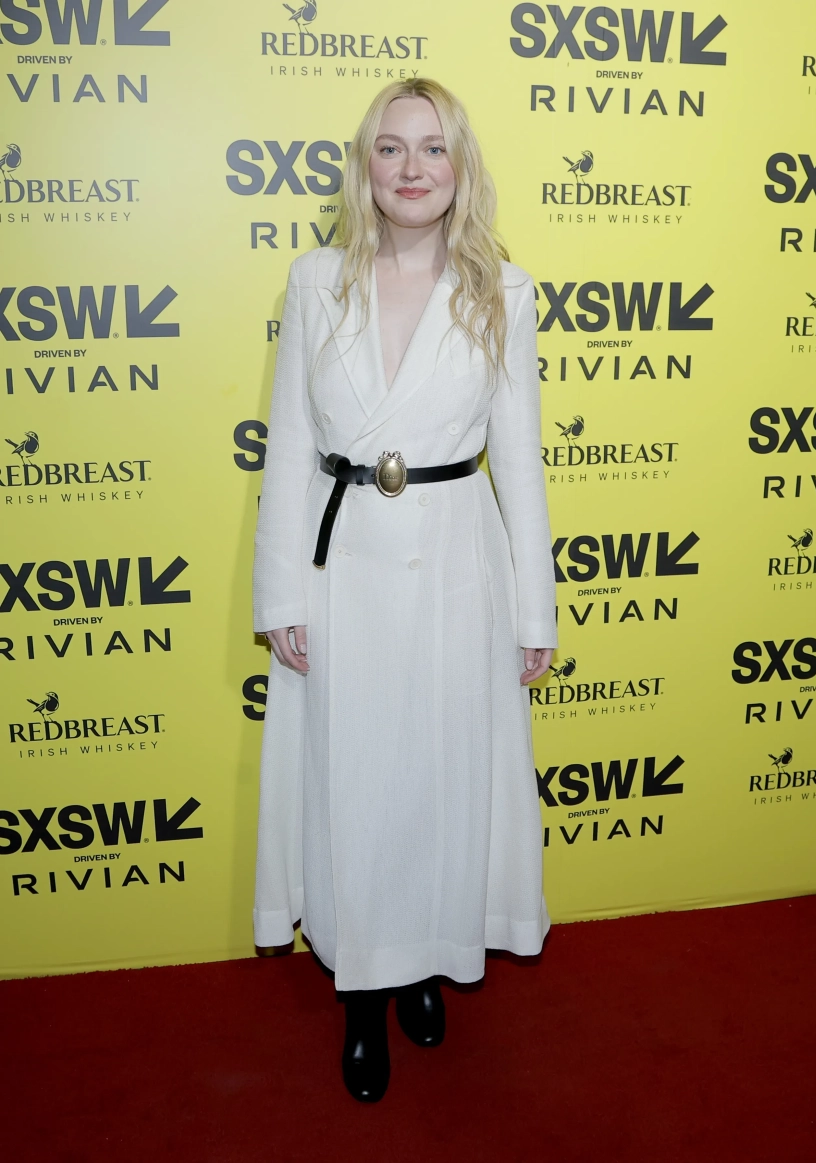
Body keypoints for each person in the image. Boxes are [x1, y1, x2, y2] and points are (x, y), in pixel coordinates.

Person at [252, 77, 557, 1103]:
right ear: (366, 166)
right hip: (341, 568)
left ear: (460, 165)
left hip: (456, 567)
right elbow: (289, 446)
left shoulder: (502, 290)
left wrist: (534, 609)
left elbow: (520, 460)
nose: (412, 168)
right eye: (391, 148)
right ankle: (361, 993)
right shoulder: (315, 280)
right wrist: (281, 596)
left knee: (438, 778)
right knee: (353, 781)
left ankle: (425, 957)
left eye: (432, 147)